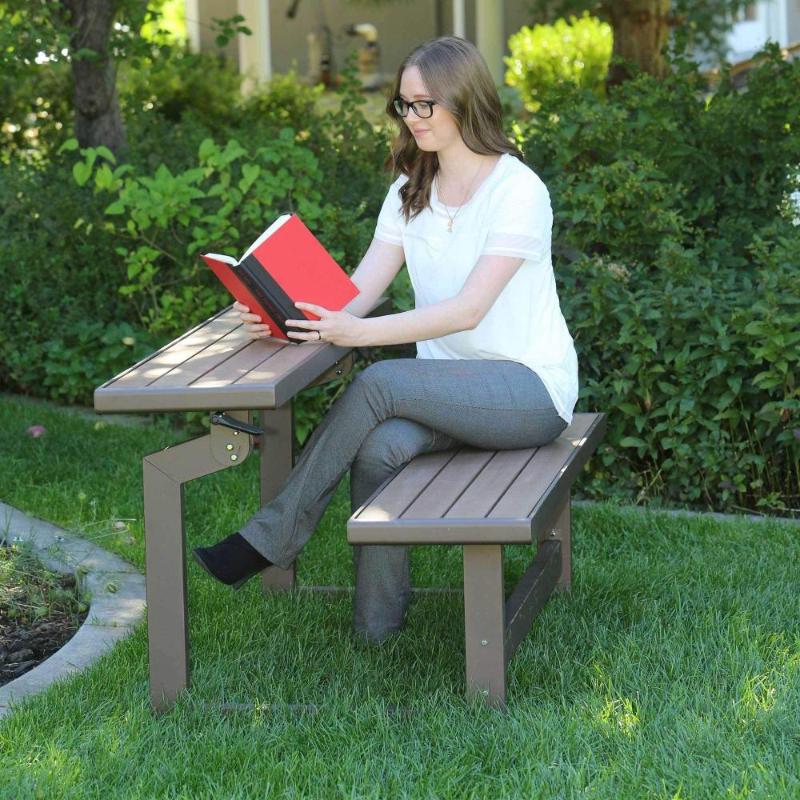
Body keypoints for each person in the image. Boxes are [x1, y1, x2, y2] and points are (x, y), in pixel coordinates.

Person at [192, 35, 579, 643]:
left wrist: (360, 334)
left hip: (528, 391)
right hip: (448, 392)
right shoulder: (408, 193)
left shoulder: (517, 190)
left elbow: (468, 310)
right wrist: (269, 309)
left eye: (427, 104)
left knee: (380, 380)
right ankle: (377, 629)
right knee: (377, 451)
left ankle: (274, 536)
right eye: (405, 105)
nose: (414, 118)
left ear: (465, 100)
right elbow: (355, 294)